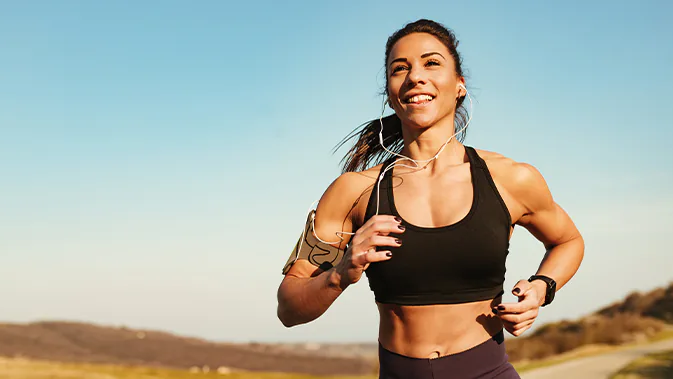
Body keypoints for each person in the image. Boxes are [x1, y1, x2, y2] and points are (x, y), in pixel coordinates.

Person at [277, 19, 584, 379]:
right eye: (399, 69)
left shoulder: (511, 179)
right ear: (391, 93)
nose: (415, 77)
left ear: (459, 86)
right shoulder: (353, 192)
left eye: (432, 63)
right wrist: (342, 272)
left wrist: (541, 287)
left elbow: (568, 241)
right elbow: (289, 309)